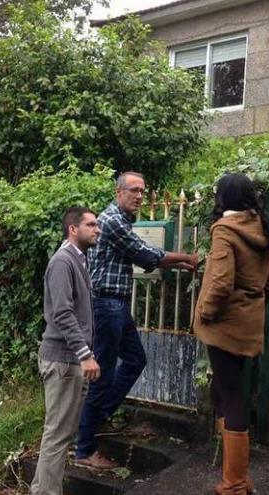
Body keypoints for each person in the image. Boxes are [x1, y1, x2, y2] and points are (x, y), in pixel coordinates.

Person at [75, 171, 199, 469]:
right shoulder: (112, 220)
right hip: (106, 305)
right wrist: (187, 258)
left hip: (115, 305)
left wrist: (183, 263)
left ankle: (96, 419)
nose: (140, 196)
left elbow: (143, 257)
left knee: (135, 359)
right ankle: (84, 449)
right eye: (133, 190)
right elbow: (143, 253)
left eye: (143, 191)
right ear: (119, 193)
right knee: (102, 375)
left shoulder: (121, 221)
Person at [193, 173, 269, 495]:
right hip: (247, 325)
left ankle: (235, 484)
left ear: (223, 199)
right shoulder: (260, 228)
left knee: (231, 397)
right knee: (222, 390)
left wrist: (205, 313)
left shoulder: (225, 231)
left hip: (224, 327)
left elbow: (219, 283)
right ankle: (234, 472)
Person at [31, 207, 103, 495]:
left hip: (69, 359)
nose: (97, 229)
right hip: (63, 360)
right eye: (91, 224)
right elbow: (62, 313)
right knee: (57, 435)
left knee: (61, 434)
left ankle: (46, 489)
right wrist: (85, 354)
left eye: (97, 224)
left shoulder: (78, 260)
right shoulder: (63, 262)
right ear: (73, 229)